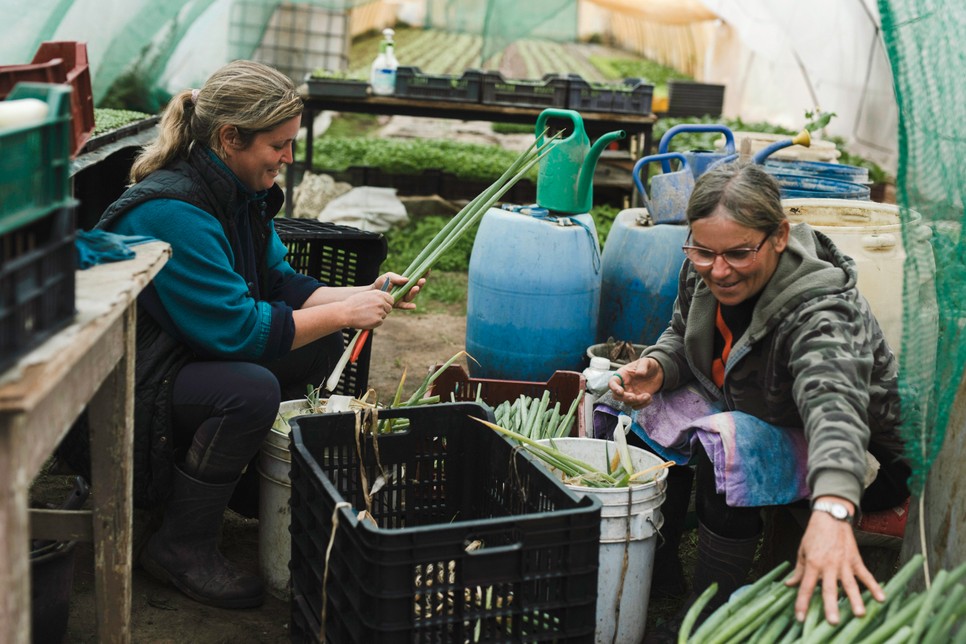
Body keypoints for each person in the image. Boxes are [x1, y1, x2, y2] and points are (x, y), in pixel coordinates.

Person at [80, 60, 423, 608]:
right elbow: (239, 333)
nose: (289, 158)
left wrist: (368, 292)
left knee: (319, 347)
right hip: (115, 389)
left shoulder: (237, 192)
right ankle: (180, 546)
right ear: (229, 137)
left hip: (172, 358)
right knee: (249, 390)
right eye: (279, 145)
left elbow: (281, 284)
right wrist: (345, 312)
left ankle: (242, 488)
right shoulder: (173, 210)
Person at [605, 162, 910, 629]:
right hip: (764, 411)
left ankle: (710, 607)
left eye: (739, 254)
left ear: (780, 236)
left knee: (727, 440)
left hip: (857, 462)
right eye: (703, 251)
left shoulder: (819, 312)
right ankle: (659, 572)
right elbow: (682, 335)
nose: (719, 271)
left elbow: (837, 411)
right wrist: (659, 366)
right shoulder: (703, 268)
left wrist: (833, 508)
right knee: (634, 408)